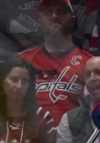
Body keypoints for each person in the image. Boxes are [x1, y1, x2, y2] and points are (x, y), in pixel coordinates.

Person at [18, 0, 91, 128]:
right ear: (39, 19)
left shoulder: (90, 63)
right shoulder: (22, 60)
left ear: (73, 18)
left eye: (61, 11)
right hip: (32, 139)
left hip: (75, 140)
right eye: (48, 12)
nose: (54, 16)